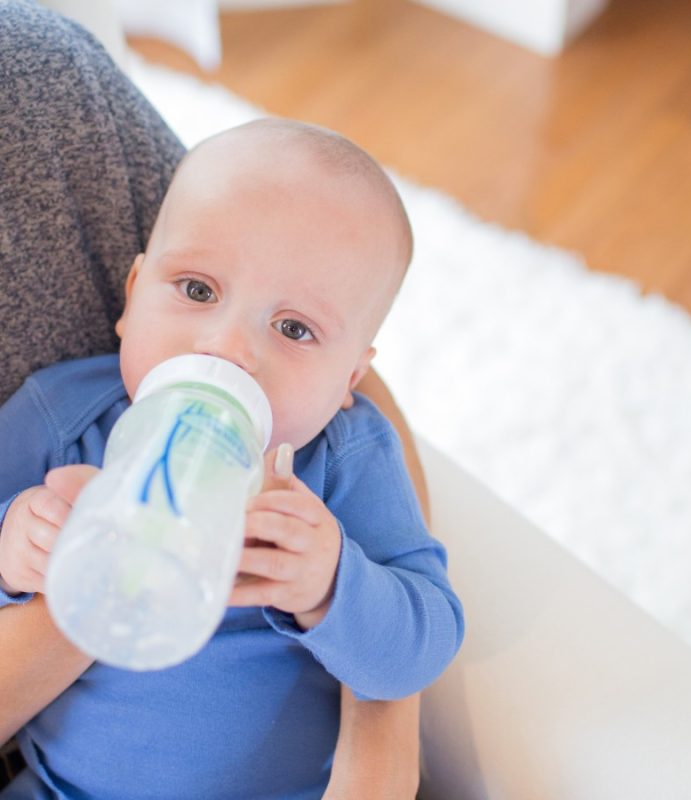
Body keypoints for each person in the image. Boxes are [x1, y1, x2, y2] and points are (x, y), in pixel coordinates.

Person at [0, 1, 438, 797]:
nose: (230, 348)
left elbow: (421, 647)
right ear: (132, 294)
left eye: (295, 329)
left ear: (351, 381)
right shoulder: (59, 417)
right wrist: (12, 548)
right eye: (197, 288)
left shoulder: (341, 467)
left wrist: (334, 583)